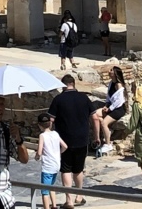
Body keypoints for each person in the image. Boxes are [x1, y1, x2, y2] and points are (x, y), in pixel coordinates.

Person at [49, 74, 94, 208]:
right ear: (74, 84)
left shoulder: (58, 99)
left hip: (64, 141)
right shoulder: (84, 98)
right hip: (82, 139)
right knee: (79, 169)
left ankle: (69, 200)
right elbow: (95, 118)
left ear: (63, 85)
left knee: (66, 169)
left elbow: (50, 120)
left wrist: (50, 137)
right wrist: (97, 136)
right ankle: (79, 196)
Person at [92, 66, 126, 156]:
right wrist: (106, 105)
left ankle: (108, 144)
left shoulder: (119, 85)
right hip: (110, 107)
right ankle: (102, 135)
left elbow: (119, 101)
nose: (109, 71)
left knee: (104, 123)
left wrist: (109, 109)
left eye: (111, 70)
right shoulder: (111, 83)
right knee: (95, 115)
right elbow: (109, 97)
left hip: (119, 109)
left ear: (115, 73)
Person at [36, 113, 67, 209]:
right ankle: (54, 205)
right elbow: (65, 146)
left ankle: (47, 207)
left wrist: (37, 157)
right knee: (52, 186)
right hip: (56, 165)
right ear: (50, 123)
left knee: (45, 191)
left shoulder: (42, 136)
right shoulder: (55, 134)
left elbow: (40, 152)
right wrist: (58, 153)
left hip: (47, 167)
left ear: (39, 125)